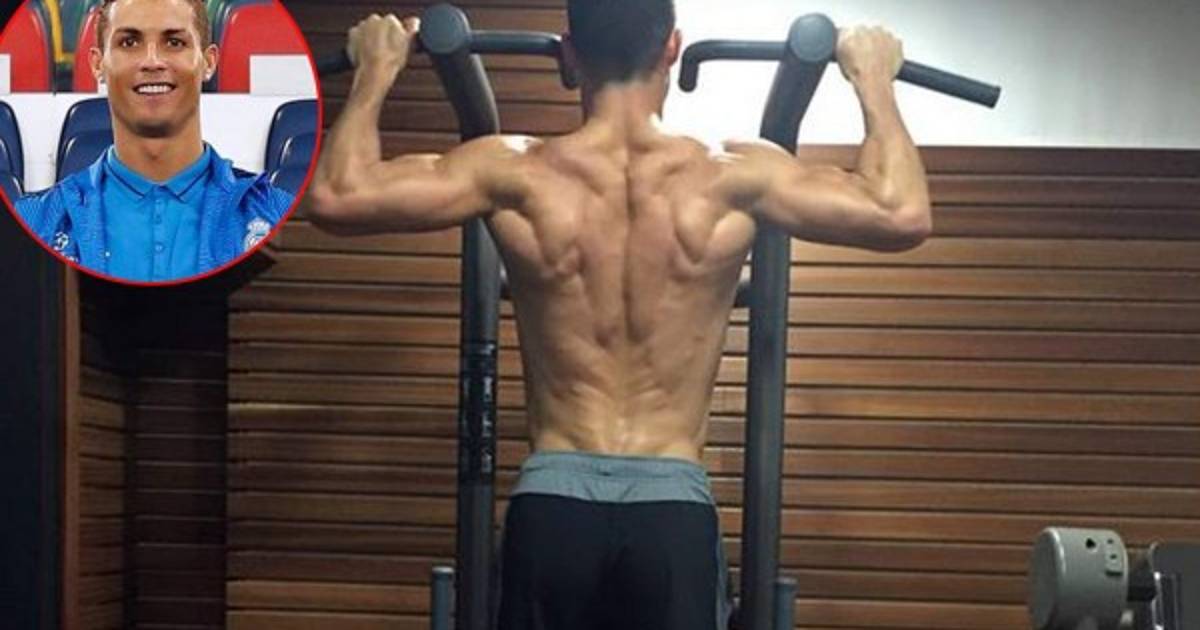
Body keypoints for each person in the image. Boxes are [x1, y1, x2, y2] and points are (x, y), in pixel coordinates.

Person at [306, 2, 930, 629]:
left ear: (569, 56)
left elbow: (338, 195)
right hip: (670, 514)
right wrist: (872, 79)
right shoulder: (734, 174)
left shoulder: (514, 170)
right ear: (673, 48)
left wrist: (378, 70)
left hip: (553, 511)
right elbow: (900, 212)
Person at [15, 0, 294, 283]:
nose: (152, 61)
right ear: (97, 64)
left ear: (208, 62)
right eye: (129, 42)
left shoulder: (275, 211)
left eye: (174, 42)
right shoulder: (34, 220)